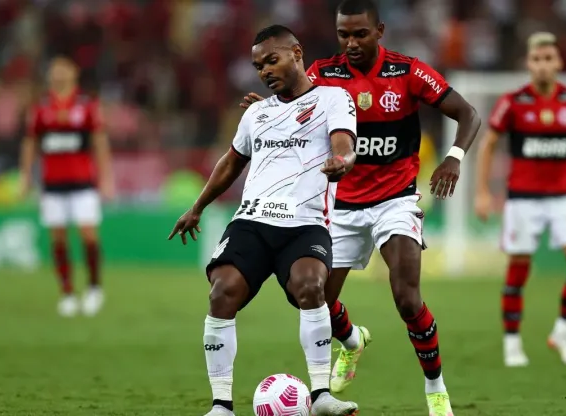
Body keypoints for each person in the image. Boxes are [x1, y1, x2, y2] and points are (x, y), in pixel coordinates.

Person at [240, 1, 481, 414]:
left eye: (360, 34)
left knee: (407, 298)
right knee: (308, 300)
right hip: (341, 204)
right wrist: (265, 111)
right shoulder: (324, 74)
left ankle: (436, 390)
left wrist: (455, 156)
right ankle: (352, 341)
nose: (350, 43)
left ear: (380, 30)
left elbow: (468, 113)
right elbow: (291, 102)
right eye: (343, 35)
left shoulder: (407, 72)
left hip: (396, 199)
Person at [169, 25, 360, 416]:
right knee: (222, 292)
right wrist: (197, 206)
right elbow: (231, 162)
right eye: (258, 66)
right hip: (252, 222)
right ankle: (221, 405)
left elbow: (344, 143)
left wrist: (343, 162)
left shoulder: (332, 98)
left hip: (305, 223)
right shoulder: (257, 112)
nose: (265, 71)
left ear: (297, 52)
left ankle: (322, 396)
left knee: (310, 287)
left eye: (272, 60)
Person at [474, 32, 566, 367]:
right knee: (518, 272)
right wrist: (483, 192)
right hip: (523, 201)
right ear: (528, 64)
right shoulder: (513, 102)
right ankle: (512, 344)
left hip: (564, 198)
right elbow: (488, 145)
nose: (543, 66)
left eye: (549, 59)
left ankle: (562, 330)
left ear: (558, 62)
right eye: (537, 60)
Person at [20, 56, 114, 317]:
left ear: (74, 73)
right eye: (54, 70)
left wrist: (106, 178)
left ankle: (94, 287)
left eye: (63, 69)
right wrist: (25, 176)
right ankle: (67, 293)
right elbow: (30, 144)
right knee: (58, 239)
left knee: (88, 236)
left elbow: (99, 142)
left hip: (83, 183)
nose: (58, 74)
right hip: (52, 184)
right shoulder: (40, 108)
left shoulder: (86, 105)